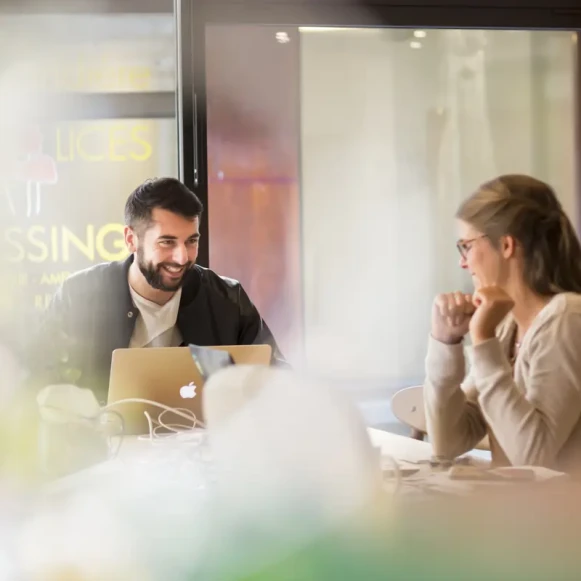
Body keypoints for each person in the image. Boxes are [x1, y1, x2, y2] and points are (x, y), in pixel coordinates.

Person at [28, 177, 285, 401]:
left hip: (201, 450)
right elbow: (36, 381)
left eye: (191, 241)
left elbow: (277, 378)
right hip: (103, 450)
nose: (182, 257)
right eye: (167, 242)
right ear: (131, 239)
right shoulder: (78, 297)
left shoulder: (228, 300)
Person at [424, 174, 581, 472]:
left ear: (507, 246)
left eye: (466, 245)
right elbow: (448, 442)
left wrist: (482, 339)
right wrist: (446, 344)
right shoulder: (507, 325)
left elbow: (533, 457)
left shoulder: (567, 318)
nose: (463, 262)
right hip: (522, 513)